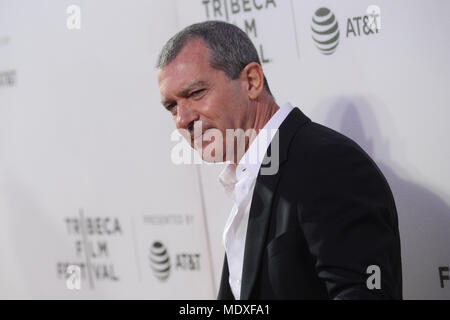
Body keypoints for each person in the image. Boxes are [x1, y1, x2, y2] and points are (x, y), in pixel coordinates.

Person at [156, 21, 402, 300]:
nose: (182, 119)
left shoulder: (327, 164)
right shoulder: (248, 177)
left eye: (195, 93)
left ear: (251, 81)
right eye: (172, 106)